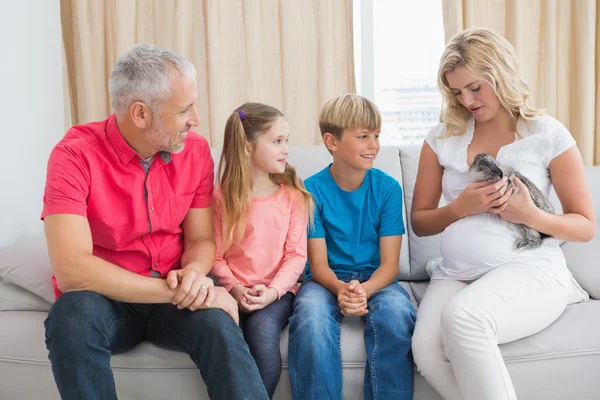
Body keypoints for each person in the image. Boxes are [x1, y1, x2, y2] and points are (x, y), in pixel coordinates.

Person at [42, 44, 269, 400]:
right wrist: (180, 290)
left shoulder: (194, 151)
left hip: (176, 291)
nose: (196, 118)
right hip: (107, 298)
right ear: (141, 114)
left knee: (219, 326)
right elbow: (72, 269)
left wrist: (195, 275)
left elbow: (200, 241)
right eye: (184, 109)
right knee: (71, 318)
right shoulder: (73, 155)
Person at [411, 28, 596, 400]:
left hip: (531, 270)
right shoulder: (441, 138)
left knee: (464, 318)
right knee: (426, 351)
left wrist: (530, 214)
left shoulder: (547, 134)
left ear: (500, 74)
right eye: (457, 91)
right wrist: (460, 208)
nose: (467, 100)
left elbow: (585, 226)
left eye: (475, 87)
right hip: (457, 274)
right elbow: (420, 221)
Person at [287, 93, 416, 400]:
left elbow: (389, 266)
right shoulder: (310, 190)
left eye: (376, 136)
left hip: (377, 278)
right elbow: (317, 266)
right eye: (362, 136)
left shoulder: (387, 188)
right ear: (332, 142)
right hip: (325, 279)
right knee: (310, 316)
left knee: (396, 314)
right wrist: (341, 290)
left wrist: (363, 292)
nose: (373, 145)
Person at [210, 102, 312, 398]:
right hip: (233, 292)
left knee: (261, 331)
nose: (286, 149)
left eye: (287, 141)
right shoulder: (221, 198)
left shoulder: (292, 197)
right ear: (247, 148)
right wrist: (235, 289)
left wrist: (272, 292)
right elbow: (215, 257)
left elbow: (296, 257)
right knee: (227, 339)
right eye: (277, 141)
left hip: (278, 294)